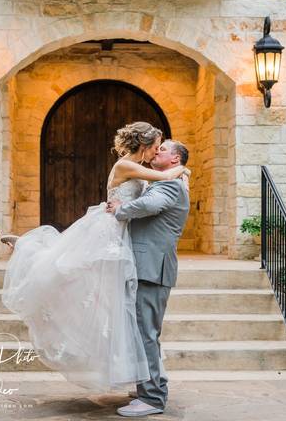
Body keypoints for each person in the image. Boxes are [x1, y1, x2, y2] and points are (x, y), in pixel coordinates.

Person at [0, 121, 189, 392]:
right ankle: (29, 249)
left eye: (161, 149)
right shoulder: (127, 165)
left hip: (120, 228)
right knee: (71, 271)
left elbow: (155, 193)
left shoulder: (140, 169)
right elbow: (165, 179)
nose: (157, 152)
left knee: (91, 282)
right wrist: (183, 169)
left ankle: (29, 248)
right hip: (110, 226)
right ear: (145, 145)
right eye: (156, 147)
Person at [105, 138, 191, 417]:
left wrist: (119, 210)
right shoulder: (164, 180)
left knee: (146, 334)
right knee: (141, 332)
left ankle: (153, 398)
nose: (157, 150)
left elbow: (149, 206)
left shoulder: (170, 185)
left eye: (163, 149)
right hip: (142, 266)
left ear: (175, 160)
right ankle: (146, 386)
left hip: (152, 269)